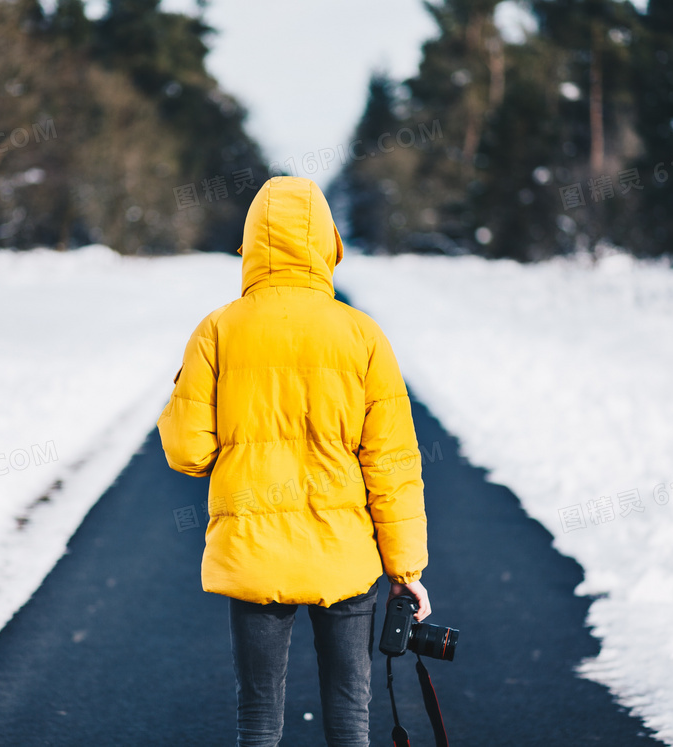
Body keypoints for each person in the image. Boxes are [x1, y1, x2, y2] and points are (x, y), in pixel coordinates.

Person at [157, 176, 430, 747]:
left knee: (257, 715)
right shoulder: (363, 335)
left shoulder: (218, 330)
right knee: (351, 712)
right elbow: (393, 463)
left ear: (252, 242)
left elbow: (188, 451)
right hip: (346, 558)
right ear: (328, 244)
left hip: (254, 556)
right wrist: (406, 572)